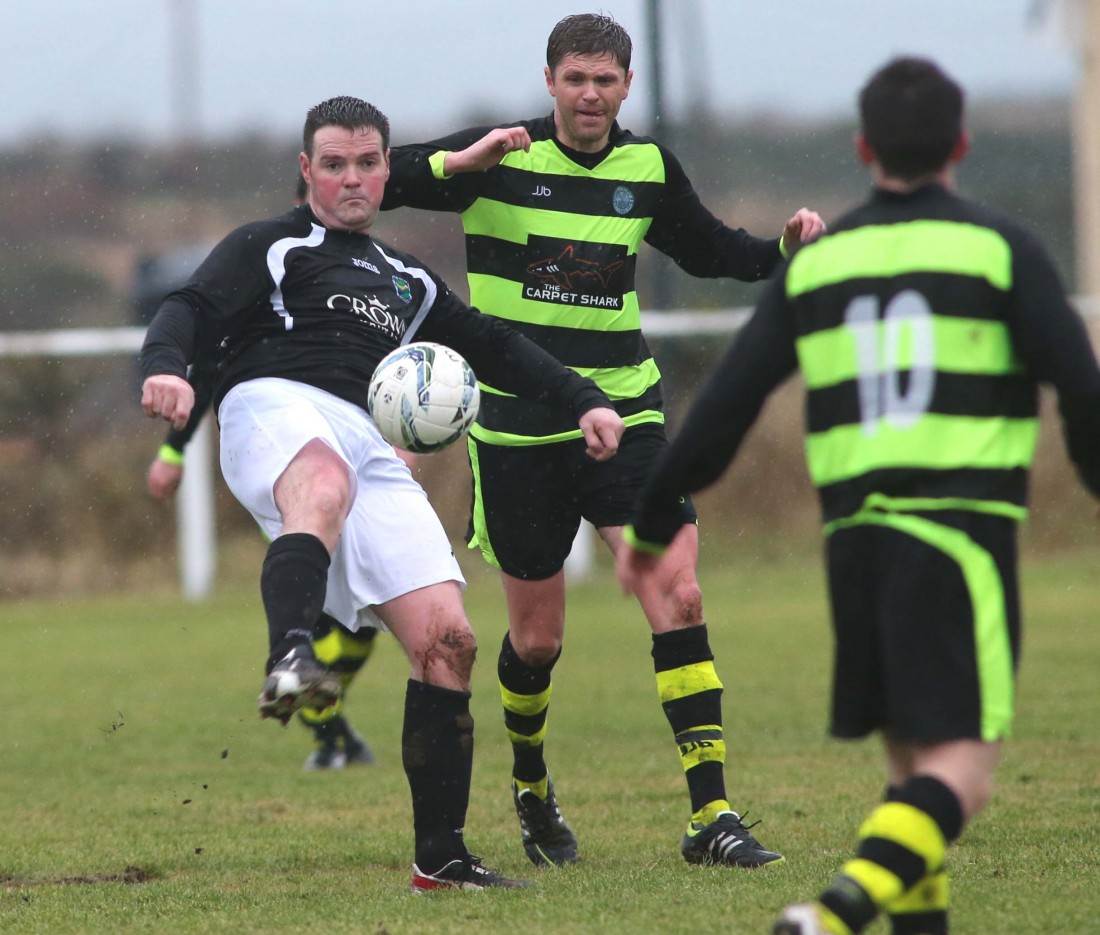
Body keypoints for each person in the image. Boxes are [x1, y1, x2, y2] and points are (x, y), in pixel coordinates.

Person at [616, 56, 1100, 935]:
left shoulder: (821, 264)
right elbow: (1083, 388)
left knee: (912, 772)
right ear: (960, 143)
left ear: (863, 146)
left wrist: (651, 522)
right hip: (958, 537)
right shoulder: (1000, 248)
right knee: (964, 774)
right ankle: (839, 910)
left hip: (855, 549)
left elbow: (722, 409)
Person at [140, 95, 625, 891]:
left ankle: (440, 856)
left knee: (449, 640)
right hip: (275, 403)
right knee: (321, 482)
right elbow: (189, 307)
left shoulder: (406, 278)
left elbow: (496, 344)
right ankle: (292, 654)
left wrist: (582, 399)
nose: (353, 179)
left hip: (369, 440)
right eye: (334, 164)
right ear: (307, 171)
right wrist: (164, 363)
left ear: (384, 167)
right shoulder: (272, 243)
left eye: (368, 163)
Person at [381, 12, 824, 869]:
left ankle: (712, 816)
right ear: (550, 81)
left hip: (625, 419)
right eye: (575, 78)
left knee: (678, 594)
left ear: (627, 87)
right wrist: (455, 165)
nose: (591, 94)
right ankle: (532, 785)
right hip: (513, 430)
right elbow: (381, 179)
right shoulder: (501, 153)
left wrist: (783, 249)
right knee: (537, 641)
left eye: (606, 80)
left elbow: (708, 250)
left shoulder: (647, 166)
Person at [146, 173, 378, 773]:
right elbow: (207, 366)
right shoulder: (262, 274)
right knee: (320, 612)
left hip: (354, 462)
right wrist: (174, 453)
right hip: (285, 461)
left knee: (362, 625)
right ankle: (326, 730)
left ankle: (323, 714)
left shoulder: (357, 287)